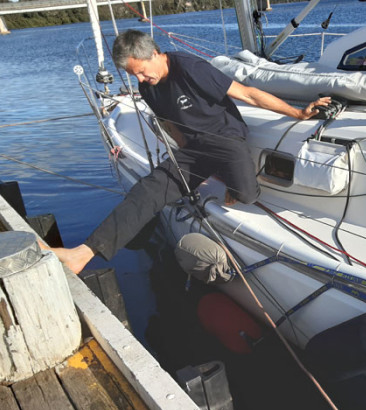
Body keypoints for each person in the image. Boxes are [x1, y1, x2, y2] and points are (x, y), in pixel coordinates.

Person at [49, 30, 330, 275]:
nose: (140, 78)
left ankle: (230, 179)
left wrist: (298, 112)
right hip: (193, 149)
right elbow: (170, 124)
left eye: (141, 70)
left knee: (245, 195)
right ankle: (82, 254)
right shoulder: (148, 88)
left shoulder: (190, 67)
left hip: (227, 140)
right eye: (133, 74)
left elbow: (247, 94)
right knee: (148, 190)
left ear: (155, 53)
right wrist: (183, 158)